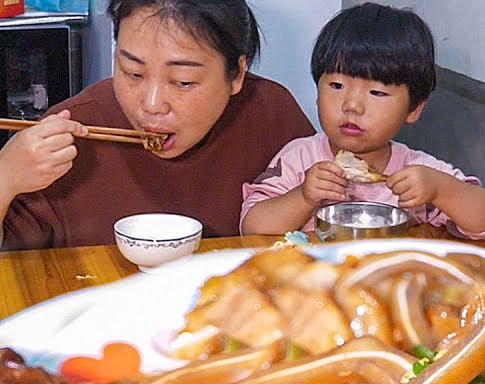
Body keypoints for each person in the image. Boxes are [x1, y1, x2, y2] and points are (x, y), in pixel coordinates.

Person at [0, 0, 313, 250]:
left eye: (183, 82)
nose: (151, 104)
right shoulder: (70, 132)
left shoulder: (271, 114)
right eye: (133, 72)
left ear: (237, 75)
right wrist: (6, 176)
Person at [240, 3, 485, 240]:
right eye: (336, 85)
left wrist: (440, 190)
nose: (352, 105)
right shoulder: (299, 159)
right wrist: (303, 197)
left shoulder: (418, 170)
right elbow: (251, 228)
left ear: (414, 108)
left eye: (377, 92)